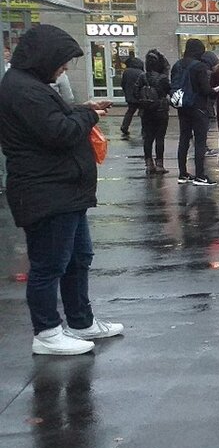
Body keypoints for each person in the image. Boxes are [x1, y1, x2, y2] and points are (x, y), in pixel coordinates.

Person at [0, 25, 123, 356]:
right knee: (49, 264)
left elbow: (56, 122)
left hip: (62, 190)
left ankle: (81, 321)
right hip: (46, 191)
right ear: (45, 57)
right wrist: (88, 115)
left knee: (77, 258)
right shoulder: (24, 90)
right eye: (63, 61)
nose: (65, 68)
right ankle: (47, 332)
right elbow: (59, 132)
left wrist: (82, 110)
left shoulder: (32, 86)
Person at [172, 39, 218, 186]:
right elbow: (205, 89)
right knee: (200, 141)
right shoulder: (199, 67)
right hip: (198, 106)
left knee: (184, 138)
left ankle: (182, 173)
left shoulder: (177, 65)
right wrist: (214, 92)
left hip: (182, 106)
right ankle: (200, 175)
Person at [139, 49, 172, 175]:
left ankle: (149, 163)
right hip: (161, 110)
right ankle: (159, 164)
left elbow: (135, 92)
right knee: (160, 138)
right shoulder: (163, 78)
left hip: (146, 111)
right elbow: (170, 91)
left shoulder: (142, 76)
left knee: (147, 138)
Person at [119, 55, 143, 139]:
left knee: (130, 112)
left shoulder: (126, 72)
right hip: (140, 96)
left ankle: (124, 126)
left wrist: (126, 92)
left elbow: (123, 84)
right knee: (142, 112)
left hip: (130, 96)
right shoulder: (140, 72)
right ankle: (144, 129)